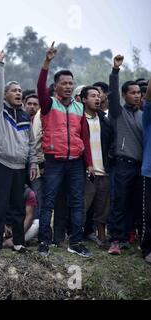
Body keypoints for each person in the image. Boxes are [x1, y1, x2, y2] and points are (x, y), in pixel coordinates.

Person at [37, 42, 94, 258]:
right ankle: (44, 242)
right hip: (54, 161)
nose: (69, 86)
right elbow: (40, 85)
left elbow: (85, 138)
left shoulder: (80, 107)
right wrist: (47, 62)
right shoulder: (48, 104)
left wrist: (89, 163)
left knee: (78, 202)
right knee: (49, 202)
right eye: (64, 83)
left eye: (71, 83)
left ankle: (76, 242)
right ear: (56, 86)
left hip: (76, 162)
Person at [0, 45, 37, 254]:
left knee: (18, 206)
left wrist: (33, 162)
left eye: (19, 91)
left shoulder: (25, 116)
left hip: (20, 167)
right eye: (14, 91)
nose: (18, 93)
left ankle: (18, 243)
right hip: (1, 164)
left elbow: (32, 143)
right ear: (5, 95)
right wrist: (0, 64)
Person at [108, 55, 143, 255]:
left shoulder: (144, 115)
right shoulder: (117, 113)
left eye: (139, 93)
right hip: (122, 165)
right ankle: (115, 240)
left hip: (140, 167)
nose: (137, 96)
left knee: (135, 204)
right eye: (132, 93)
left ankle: (129, 237)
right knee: (119, 203)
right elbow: (112, 94)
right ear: (124, 95)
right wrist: (115, 71)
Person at [81, 86, 113, 247]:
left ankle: (101, 236)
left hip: (104, 169)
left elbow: (111, 142)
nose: (97, 98)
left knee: (103, 205)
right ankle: (76, 235)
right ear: (84, 99)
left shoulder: (104, 120)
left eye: (98, 95)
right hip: (85, 169)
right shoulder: (79, 119)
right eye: (93, 96)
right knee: (83, 205)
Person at [141, 76, 151, 264]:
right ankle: (147, 248)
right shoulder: (149, 115)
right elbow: (148, 99)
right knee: (149, 215)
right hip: (150, 173)